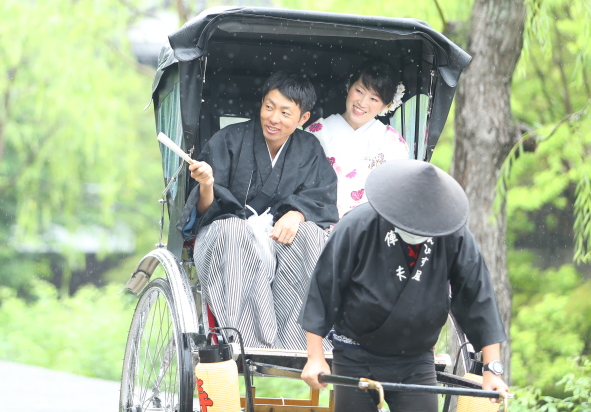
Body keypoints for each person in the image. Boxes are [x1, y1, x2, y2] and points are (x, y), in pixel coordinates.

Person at [300, 160, 509, 412]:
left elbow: (478, 296)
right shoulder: (357, 225)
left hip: (415, 359)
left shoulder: (452, 234)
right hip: (354, 353)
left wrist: (492, 368)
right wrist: (315, 356)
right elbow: (324, 289)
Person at [180, 71, 338, 350]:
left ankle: (301, 344)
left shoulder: (309, 148)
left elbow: (321, 198)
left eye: (285, 112)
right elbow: (204, 210)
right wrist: (207, 184)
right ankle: (246, 342)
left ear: (303, 118)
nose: (273, 118)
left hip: (277, 240)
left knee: (311, 235)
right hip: (226, 238)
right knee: (233, 229)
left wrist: (297, 214)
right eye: (269, 107)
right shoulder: (229, 139)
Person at [306, 59, 409, 218]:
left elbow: (395, 196)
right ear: (349, 86)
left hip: (368, 227)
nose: (362, 103)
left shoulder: (392, 143)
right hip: (317, 221)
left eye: (373, 99)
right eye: (359, 91)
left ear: (385, 105)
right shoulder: (315, 133)